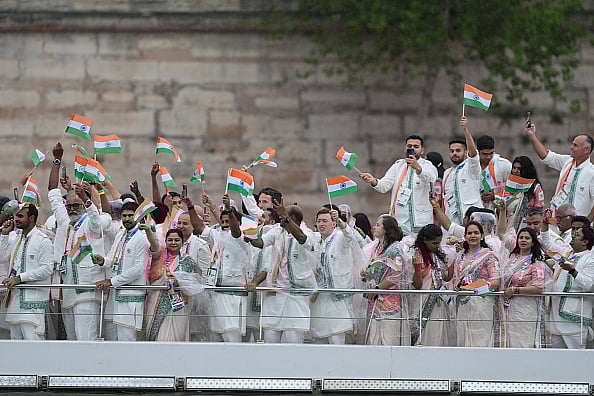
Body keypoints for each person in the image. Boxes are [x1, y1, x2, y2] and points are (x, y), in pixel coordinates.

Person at [48, 143, 110, 341]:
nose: (72, 208)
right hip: (66, 289)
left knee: (86, 340)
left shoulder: (91, 223)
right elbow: (53, 193)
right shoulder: (65, 221)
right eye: (70, 205)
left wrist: (87, 199)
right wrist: (56, 161)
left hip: (87, 291)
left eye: (77, 205)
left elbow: (96, 219)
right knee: (71, 341)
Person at [248, 200, 317, 344]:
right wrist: (249, 237)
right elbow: (261, 243)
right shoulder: (278, 231)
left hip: (295, 297)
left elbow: (303, 239)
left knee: (293, 341)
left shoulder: (308, 234)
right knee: (270, 339)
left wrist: (286, 217)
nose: (279, 221)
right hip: (274, 295)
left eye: (282, 218)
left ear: (292, 218)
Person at [191, 194, 251, 343]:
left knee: (231, 337)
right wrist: (190, 207)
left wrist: (229, 209)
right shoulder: (217, 235)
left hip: (232, 296)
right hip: (215, 293)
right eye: (222, 221)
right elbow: (198, 227)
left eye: (228, 221)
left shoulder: (241, 238)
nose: (225, 224)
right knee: (214, 337)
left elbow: (235, 230)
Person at [92, 202, 150, 341]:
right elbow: (112, 259)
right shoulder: (121, 234)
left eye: (131, 215)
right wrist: (102, 261)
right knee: (111, 336)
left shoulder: (142, 237)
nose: (127, 219)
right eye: (124, 216)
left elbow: (137, 270)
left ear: (137, 216)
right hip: (115, 294)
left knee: (127, 339)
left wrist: (111, 281)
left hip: (131, 295)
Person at [359, 135, 437, 233]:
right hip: (400, 220)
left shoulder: (427, 166)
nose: (412, 149)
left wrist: (418, 168)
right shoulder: (398, 165)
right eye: (409, 146)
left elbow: (432, 180)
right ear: (405, 149)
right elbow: (384, 186)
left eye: (416, 147)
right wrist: (373, 181)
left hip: (420, 220)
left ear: (422, 150)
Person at [0, 204, 53, 340]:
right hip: (15, 303)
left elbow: (47, 269)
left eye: (20, 216)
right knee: (17, 349)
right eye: (16, 215)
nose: (16, 219)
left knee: (34, 346)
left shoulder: (43, 240)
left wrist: (20, 278)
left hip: (33, 304)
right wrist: (5, 235)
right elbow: (2, 257)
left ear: (32, 218)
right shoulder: (17, 239)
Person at [525, 121, 594, 217]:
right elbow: (545, 156)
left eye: (575, 145)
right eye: (572, 144)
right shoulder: (567, 162)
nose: (571, 147)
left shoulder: (591, 173)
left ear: (586, 149)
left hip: (577, 226)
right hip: (556, 221)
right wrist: (532, 136)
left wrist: (586, 224)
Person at [361, 215, 411, 345]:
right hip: (375, 302)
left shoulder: (395, 249)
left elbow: (396, 275)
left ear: (386, 229)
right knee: (373, 341)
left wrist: (377, 289)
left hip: (390, 303)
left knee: (388, 342)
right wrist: (367, 274)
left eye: (378, 225)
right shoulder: (375, 248)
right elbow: (375, 271)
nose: (374, 227)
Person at [310, 208, 355, 345]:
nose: (321, 224)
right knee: (319, 339)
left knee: (336, 338)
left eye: (325, 221)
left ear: (333, 224)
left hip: (337, 298)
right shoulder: (317, 241)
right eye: (318, 221)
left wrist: (341, 222)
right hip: (320, 298)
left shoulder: (340, 237)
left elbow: (349, 236)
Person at [145, 227, 199, 342]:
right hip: (155, 302)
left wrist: (177, 281)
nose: (173, 243)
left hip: (178, 305)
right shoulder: (159, 256)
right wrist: (148, 231)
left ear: (182, 242)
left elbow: (192, 283)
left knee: (175, 338)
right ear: (165, 242)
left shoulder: (188, 261)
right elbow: (153, 245)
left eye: (177, 240)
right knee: (158, 339)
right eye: (170, 240)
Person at [453, 221, 501, 347]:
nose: (472, 236)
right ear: (465, 236)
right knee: (463, 339)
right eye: (469, 233)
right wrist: (456, 284)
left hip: (482, 303)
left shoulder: (488, 255)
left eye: (476, 233)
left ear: (482, 236)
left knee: (479, 339)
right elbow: (456, 279)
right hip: (462, 303)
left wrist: (475, 289)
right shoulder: (460, 256)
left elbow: (496, 281)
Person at [548, 226, 594, 349]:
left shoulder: (590, 259)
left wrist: (573, 271)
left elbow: (589, 285)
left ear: (585, 242)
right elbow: (547, 245)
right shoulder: (568, 254)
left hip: (574, 317)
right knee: (554, 358)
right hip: (555, 318)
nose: (573, 235)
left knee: (576, 360)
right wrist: (544, 226)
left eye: (577, 235)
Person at [501, 228, 546, 348]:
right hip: (508, 307)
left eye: (527, 238)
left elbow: (538, 288)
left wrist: (516, 290)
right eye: (521, 238)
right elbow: (502, 233)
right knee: (508, 340)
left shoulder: (536, 262)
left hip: (526, 308)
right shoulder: (511, 258)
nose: (523, 240)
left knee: (523, 341)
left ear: (533, 242)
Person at [412, 224, 453, 346]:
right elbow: (417, 285)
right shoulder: (416, 255)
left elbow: (446, 277)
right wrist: (417, 268)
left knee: (439, 336)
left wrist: (454, 258)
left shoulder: (438, 254)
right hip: (422, 302)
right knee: (425, 337)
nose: (438, 246)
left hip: (439, 303)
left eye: (439, 243)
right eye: (434, 243)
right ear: (425, 240)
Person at [442, 116, 483, 225]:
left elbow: (473, 154)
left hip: (473, 220)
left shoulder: (470, 167)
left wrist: (465, 130)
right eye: (452, 151)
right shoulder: (447, 173)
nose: (454, 153)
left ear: (465, 152)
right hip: (453, 221)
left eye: (458, 150)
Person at [506, 156, 545, 231]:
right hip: (508, 224)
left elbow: (539, 211)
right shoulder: (507, 186)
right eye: (514, 168)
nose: (515, 171)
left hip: (526, 226)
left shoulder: (535, 187)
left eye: (519, 169)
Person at [476, 135, 512, 210]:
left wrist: (496, 195)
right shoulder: (469, 166)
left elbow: (515, 189)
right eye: (485, 154)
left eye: (491, 153)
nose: (488, 157)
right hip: (475, 210)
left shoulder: (504, 165)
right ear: (478, 152)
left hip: (498, 211)